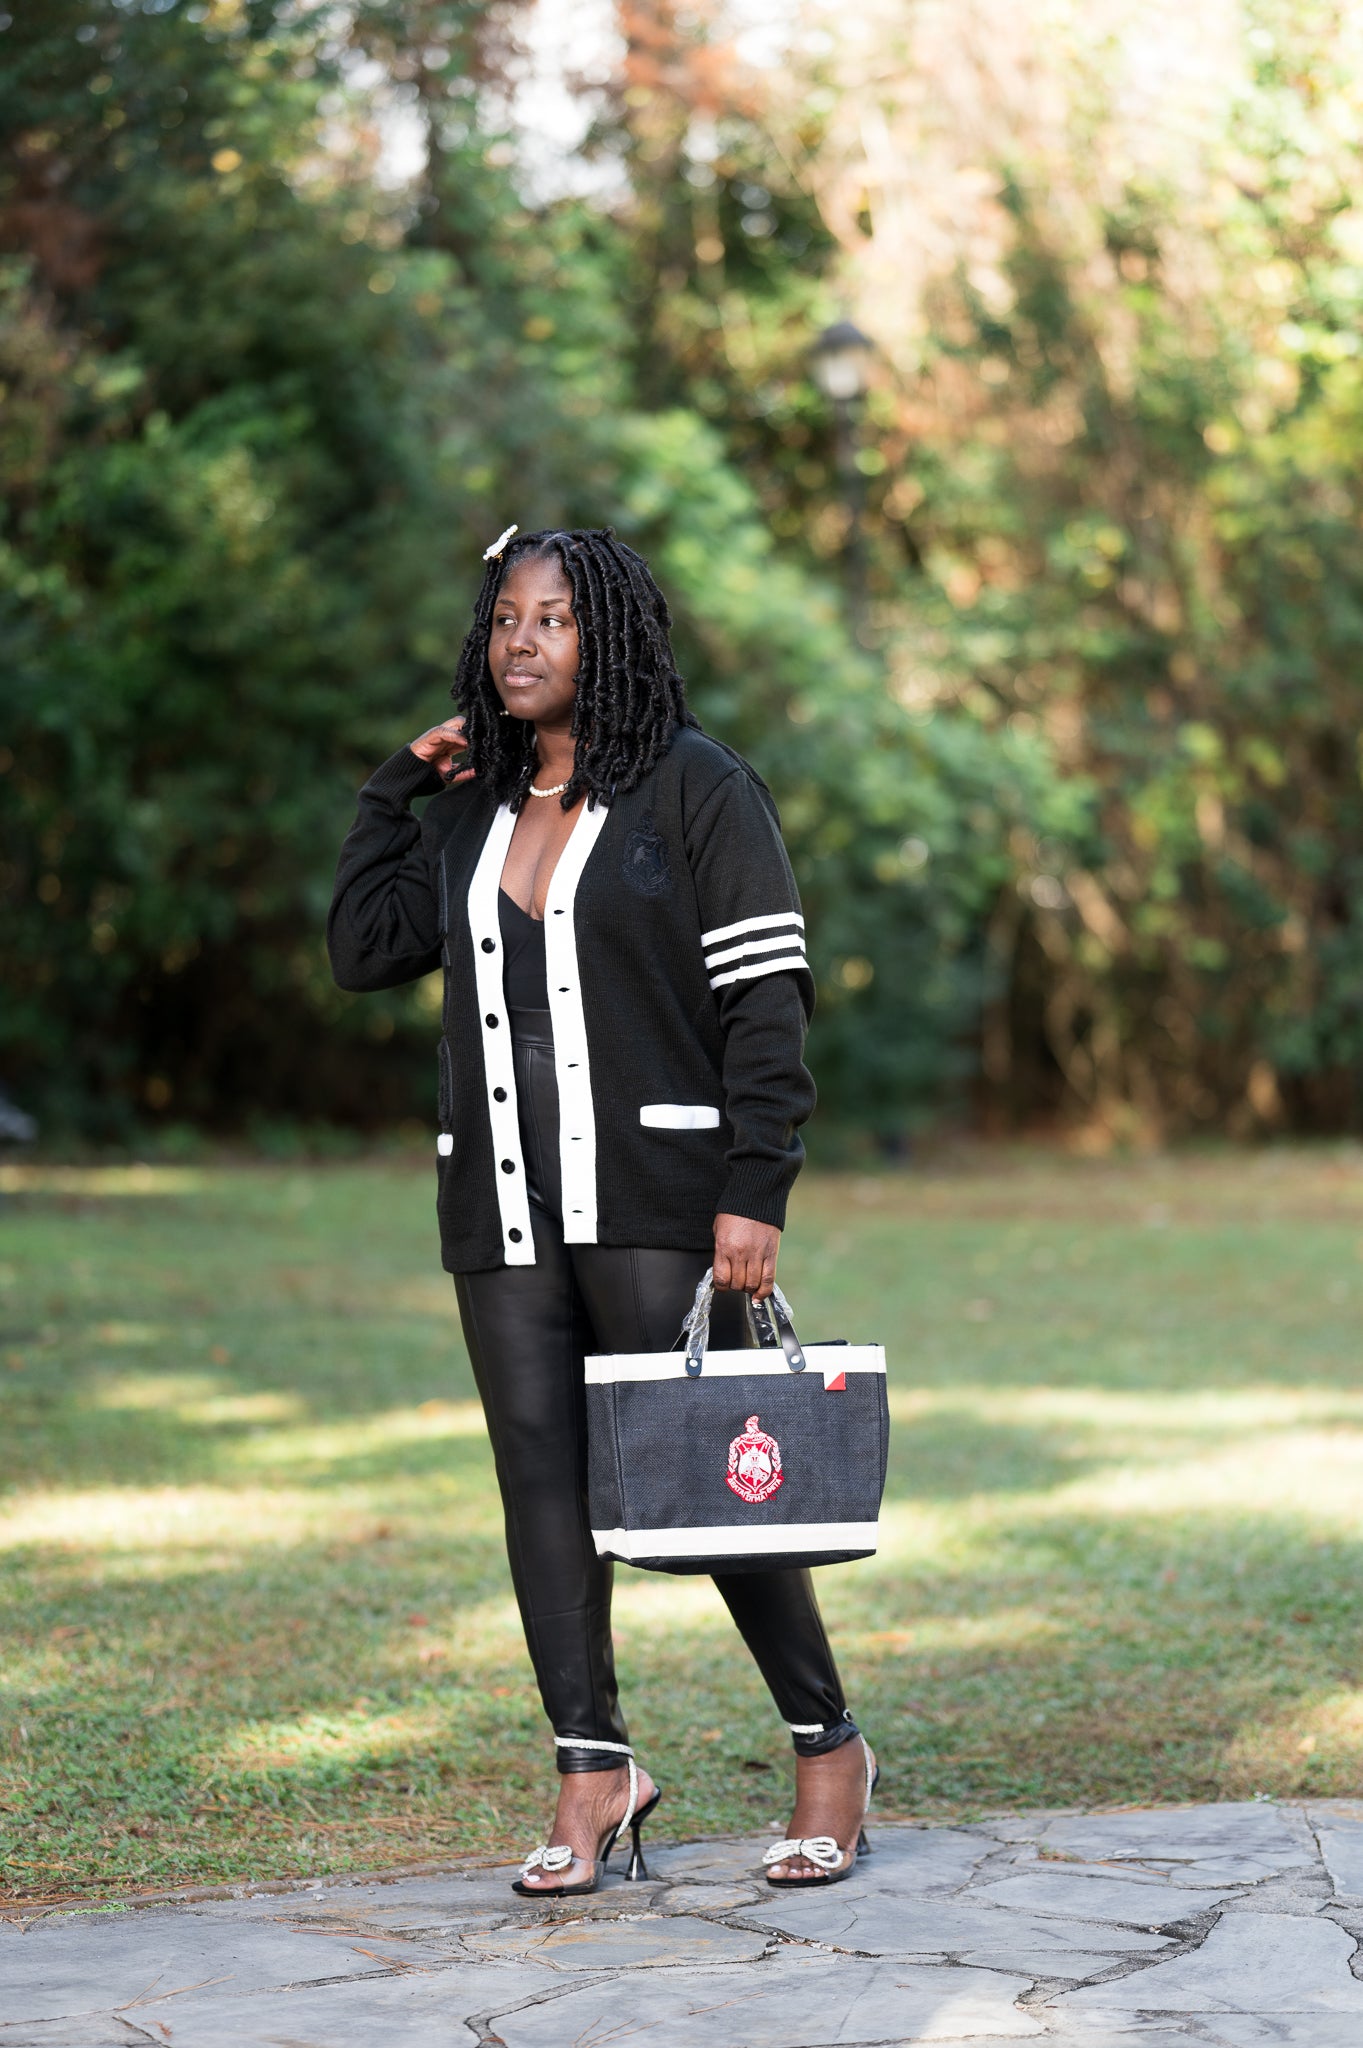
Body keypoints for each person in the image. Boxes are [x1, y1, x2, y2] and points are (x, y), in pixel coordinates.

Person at [328, 525, 875, 1897]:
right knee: (541, 1492)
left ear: (609, 639)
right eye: (505, 619)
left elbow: (766, 1005)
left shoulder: (700, 790)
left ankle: (829, 1750)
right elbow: (364, 951)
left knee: (707, 1493)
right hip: (501, 1209)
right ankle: (592, 1774)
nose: (522, 642)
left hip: (657, 1204)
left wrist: (757, 1192)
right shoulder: (471, 809)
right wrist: (392, 790)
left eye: (554, 620)